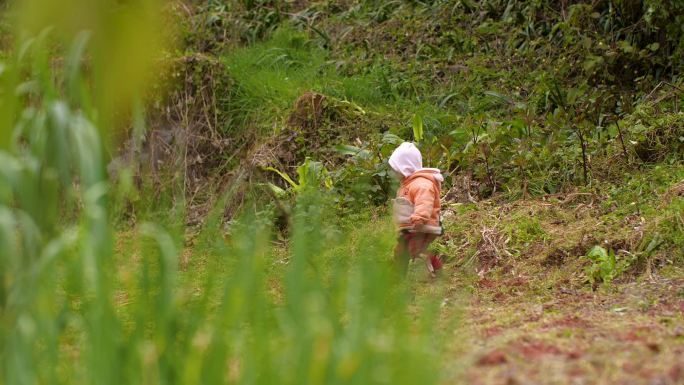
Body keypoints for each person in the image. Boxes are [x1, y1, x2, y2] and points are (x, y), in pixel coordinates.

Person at [388, 142, 444, 277]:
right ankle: (397, 273)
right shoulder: (409, 183)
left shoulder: (421, 184)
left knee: (413, 250)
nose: (393, 172)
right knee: (402, 250)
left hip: (420, 226)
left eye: (396, 169)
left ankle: (434, 267)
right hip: (410, 227)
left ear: (405, 167)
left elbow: (424, 202)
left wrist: (419, 218)